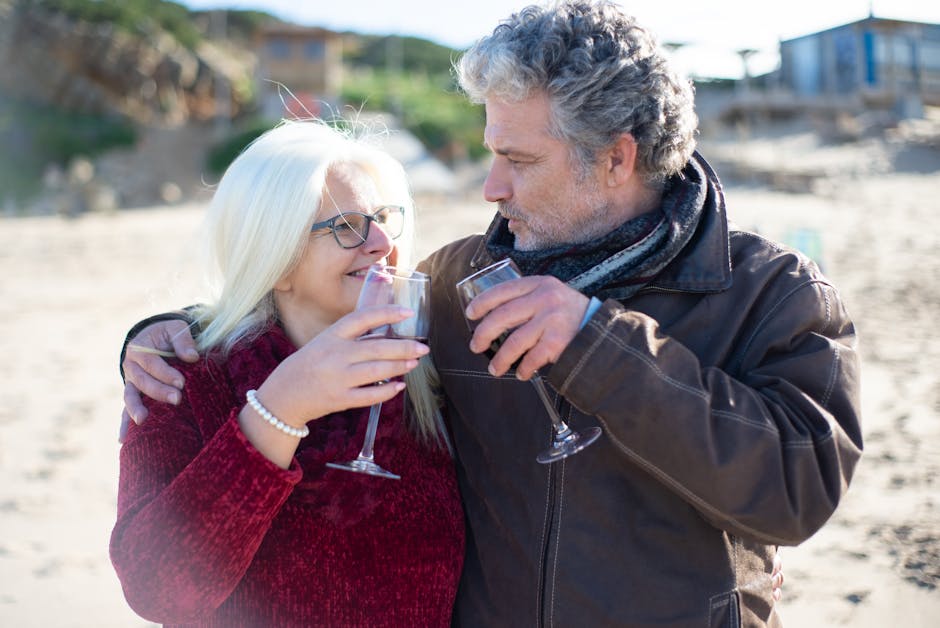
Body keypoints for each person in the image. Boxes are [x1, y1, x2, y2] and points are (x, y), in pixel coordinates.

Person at [120, 2, 855, 626]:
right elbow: (303, 297)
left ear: (617, 158)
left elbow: (800, 492)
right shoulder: (453, 282)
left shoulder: (772, 290)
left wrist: (600, 344)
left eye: (519, 160)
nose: (491, 187)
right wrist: (163, 336)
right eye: (489, 152)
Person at [110, 120, 464, 627]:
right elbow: (156, 590)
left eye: (384, 217)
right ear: (275, 259)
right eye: (347, 226)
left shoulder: (433, 373)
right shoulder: (182, 382)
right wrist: (279, 409)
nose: (383, 242)